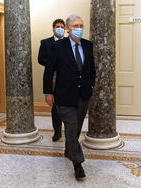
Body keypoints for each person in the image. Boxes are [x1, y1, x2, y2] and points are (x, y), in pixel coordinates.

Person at [43, 14, 96, 179]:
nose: (79, 29)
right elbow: (49, 71)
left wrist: (91, 85)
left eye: (81, 25)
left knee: (76, 128)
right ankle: (78, 163)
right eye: (75, 26)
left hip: (83, 96)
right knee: (71, 128)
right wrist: (48, 92)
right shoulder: (58, 46)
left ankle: (68, 150)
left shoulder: (88, 45)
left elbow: (91, 69)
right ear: (67, 29)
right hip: (64, 96)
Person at [38, 19, 65, 142]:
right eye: (57, 26)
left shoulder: (69, 42)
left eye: (62, 26)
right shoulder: (45, 42)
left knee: (69, 106)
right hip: (52, 78)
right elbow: (40, 59)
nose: (59, 28)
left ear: (65, 29)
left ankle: (71, 132)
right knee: (55, 107)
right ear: (53, 28)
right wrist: (53, 63)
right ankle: (57, 132)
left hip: (67, 78)